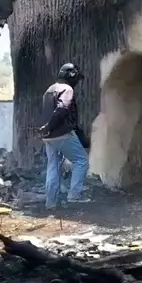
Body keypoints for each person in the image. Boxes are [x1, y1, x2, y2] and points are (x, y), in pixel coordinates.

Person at [37, 63, 91, 209]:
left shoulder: (49, 90)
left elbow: (47, 112)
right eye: (76, 78)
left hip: (48, 136)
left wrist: (46, 129)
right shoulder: (66, 89)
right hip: (61, 133)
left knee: (53, 165)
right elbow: (62, 109)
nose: (77, 83)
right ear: (71, 76)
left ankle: (50, 202)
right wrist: (51, 126)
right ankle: (75, 195)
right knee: (81, 161)